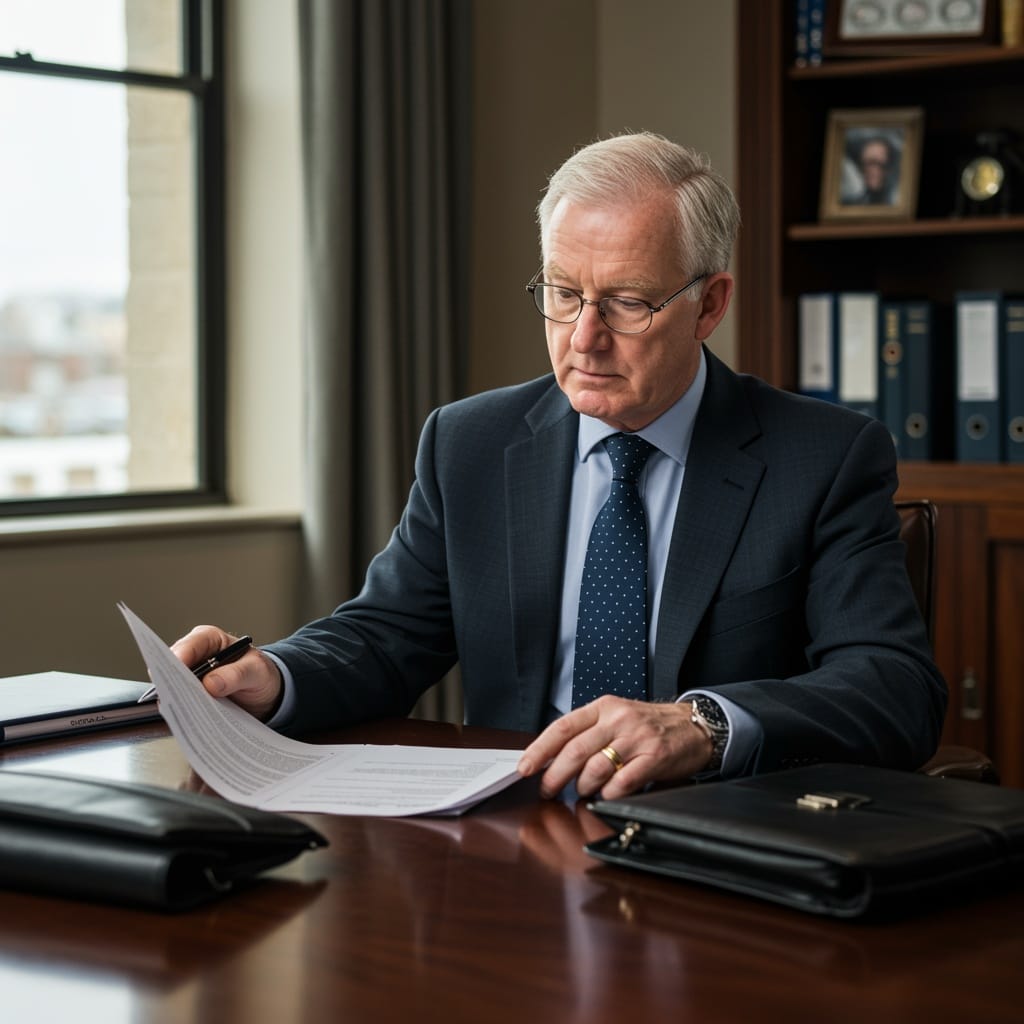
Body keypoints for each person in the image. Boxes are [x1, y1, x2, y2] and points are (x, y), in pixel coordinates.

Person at [174, 132, 946, 801]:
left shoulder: (822, 458)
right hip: (510, 833)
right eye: (563, 294)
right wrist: (273, 675)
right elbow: (386, 635)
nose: (583, 339)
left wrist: (704, 722)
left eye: (628, 303)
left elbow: (894, 688)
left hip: (720, 842)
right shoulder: (470, 442)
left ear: (710, 305)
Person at [842, 134, 899, 206]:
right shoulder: (852, 201)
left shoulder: (897, 201)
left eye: (875, 163)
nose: (870, 170)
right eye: (865, 164)